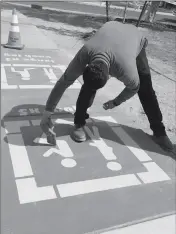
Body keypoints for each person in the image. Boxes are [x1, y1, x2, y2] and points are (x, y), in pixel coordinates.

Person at [40, 21, 173, 152]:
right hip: (110, 30)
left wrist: (115, 102)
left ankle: (159, 133)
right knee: (88, 87)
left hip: (134, 37)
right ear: (87, 66)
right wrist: (47, 113)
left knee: (146, 89)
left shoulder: (125, 69)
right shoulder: (85, 53)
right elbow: (63, 82)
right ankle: (79, 123)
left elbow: (134, 87)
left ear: (111, 74)